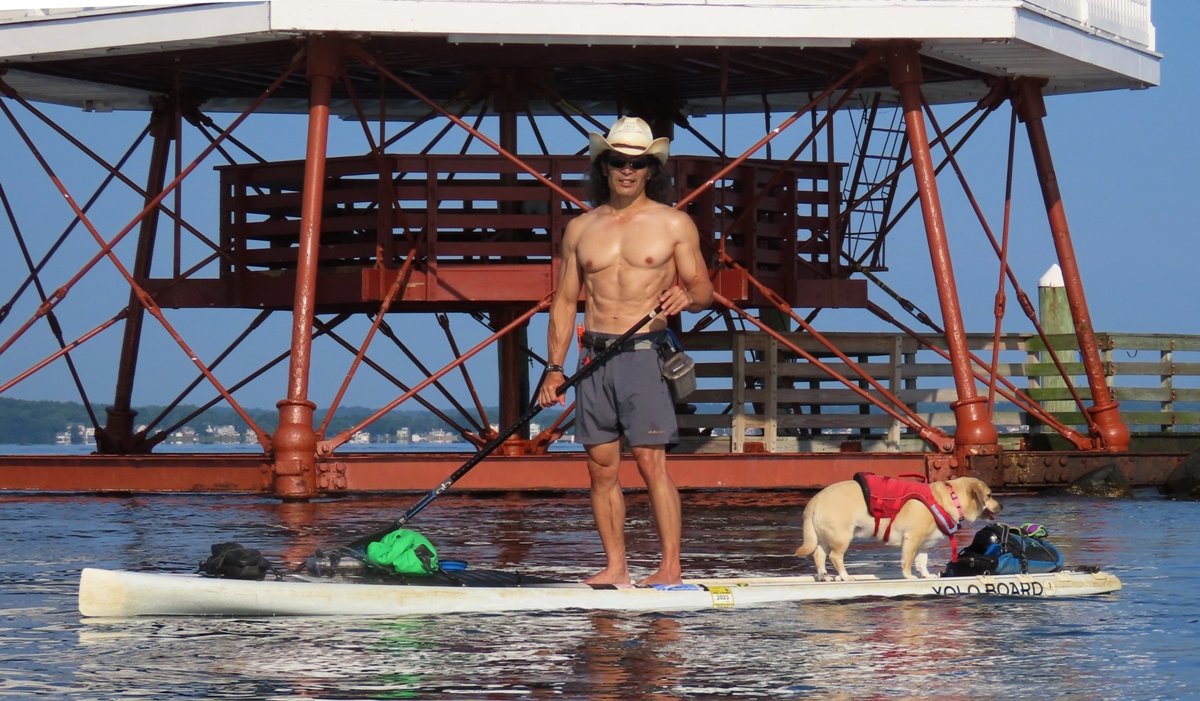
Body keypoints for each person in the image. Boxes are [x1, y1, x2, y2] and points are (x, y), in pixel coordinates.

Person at [537, 117, 713, 585]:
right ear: (604, 165)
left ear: (652, 168)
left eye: (638, 163)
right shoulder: (580, 228)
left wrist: (687, 298)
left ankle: (670, 568)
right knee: (600, 469)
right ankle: (616, 567)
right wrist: (554, 369)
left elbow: (702, 289)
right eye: (618, 161)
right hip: (592, 357)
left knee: (652, 461)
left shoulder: (674, 224)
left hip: (643, 355)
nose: (627, 171)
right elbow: (562, 303)